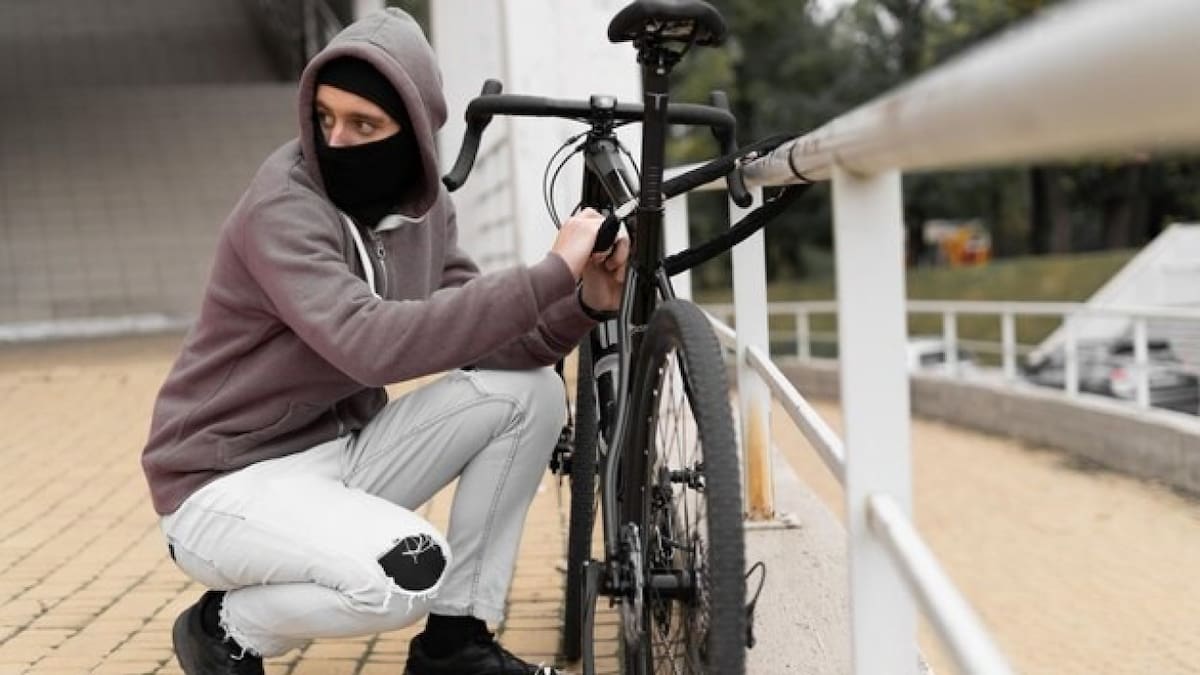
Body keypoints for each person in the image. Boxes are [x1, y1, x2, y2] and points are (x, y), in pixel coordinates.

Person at [140, 8, 627, 675]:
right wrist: (548, 270)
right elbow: (368, 344)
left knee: (530, 394)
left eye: (364, 125)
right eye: (325, 118)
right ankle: (222, 626)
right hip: (223, 485)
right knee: (408, 567)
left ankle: (455, 644)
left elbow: (493, 340)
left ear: (416, 134)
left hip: (338, 456)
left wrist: (583, 302)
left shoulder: (425, 213)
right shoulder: (280, 207)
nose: (337, 141)